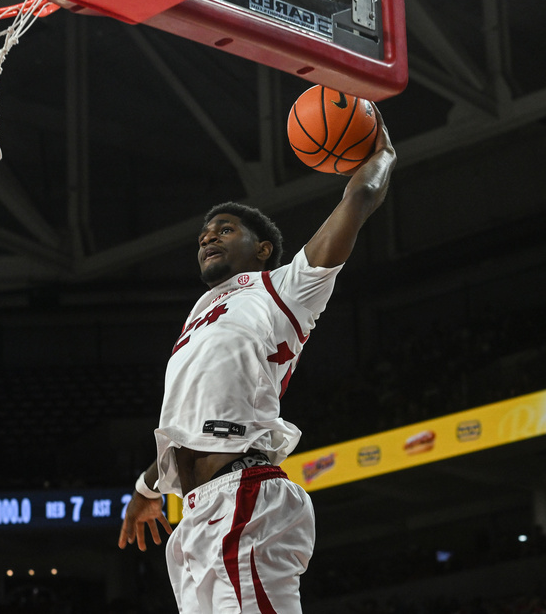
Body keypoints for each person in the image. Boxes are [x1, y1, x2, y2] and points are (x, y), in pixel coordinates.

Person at [118, 105, 397, 613]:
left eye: (224, 230)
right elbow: (189, 424)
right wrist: (146, 488)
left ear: (263, 248)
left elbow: (359, 199)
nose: (208, 237)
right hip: (195, 519)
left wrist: (382, 155)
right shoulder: (199, 316)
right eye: (205, 233)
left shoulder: (284, 289)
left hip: (244, 499)